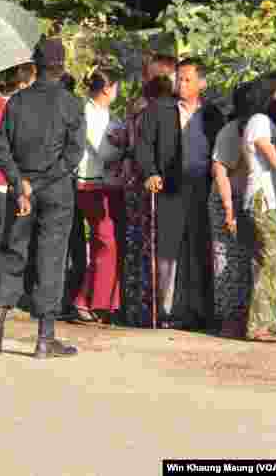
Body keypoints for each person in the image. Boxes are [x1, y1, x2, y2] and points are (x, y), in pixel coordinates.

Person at [0, 39, 86, 359]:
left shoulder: (16, 102)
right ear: (62, 66)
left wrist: (20, 183)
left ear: (35, 65)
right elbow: (73, 154)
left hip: (22, 190)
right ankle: (44, 339)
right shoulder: (71, 104)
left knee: (12, 254)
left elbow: (1, 150)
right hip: (55, 189)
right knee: (51, 259)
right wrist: (39, 182)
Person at [137, 57, 225, 330]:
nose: (181, 84)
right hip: (170, 186)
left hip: (202, 186)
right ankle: (167, 310)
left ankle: (198, 310)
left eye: (187, 79)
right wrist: (150, 172)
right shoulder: (159, 109)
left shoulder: (212, 114)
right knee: (168, 248)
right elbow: (143, 145)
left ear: (202, 83)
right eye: (179, 78)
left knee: (199, 247)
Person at [120, 54, 177, 327]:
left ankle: (140, 307)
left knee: (142, 245)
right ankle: (144, 308)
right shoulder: (148, 107)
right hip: (143, 180)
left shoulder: (141, 105)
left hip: (138, 177)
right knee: (144, 244)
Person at [70, 68, 126, 323]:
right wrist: (122, 149)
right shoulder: (88, 114)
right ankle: (89, 300)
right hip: (90, 184)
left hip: (106, 184)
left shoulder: (105, 114)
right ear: (107, 88)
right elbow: (105, 152)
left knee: (106, 242)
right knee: (106, 242)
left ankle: (100, 300)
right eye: (116, 87)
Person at [237, 76, 276, 342]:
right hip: (263, 200)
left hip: (274, 200)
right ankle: (258, 325)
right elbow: (275, 160)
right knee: (273, 258)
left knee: (269, 260)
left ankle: (266, 321)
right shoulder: (259, 121)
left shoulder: (273, 124)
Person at [0, 63, 36, 289]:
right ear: (23, 83)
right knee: (3, 240)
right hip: (3, 183)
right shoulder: (1, 106)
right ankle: (0, 292)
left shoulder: (19, 107)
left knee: (18, 240)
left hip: (19, 183)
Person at [209, 83, 253, 338]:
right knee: (227, 259)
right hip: (226, 199)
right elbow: (220, 171)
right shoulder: (230, 132)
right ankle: (229, 319)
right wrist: (228, 210)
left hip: (244, 199)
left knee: (244, 261)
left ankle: (243, 315)